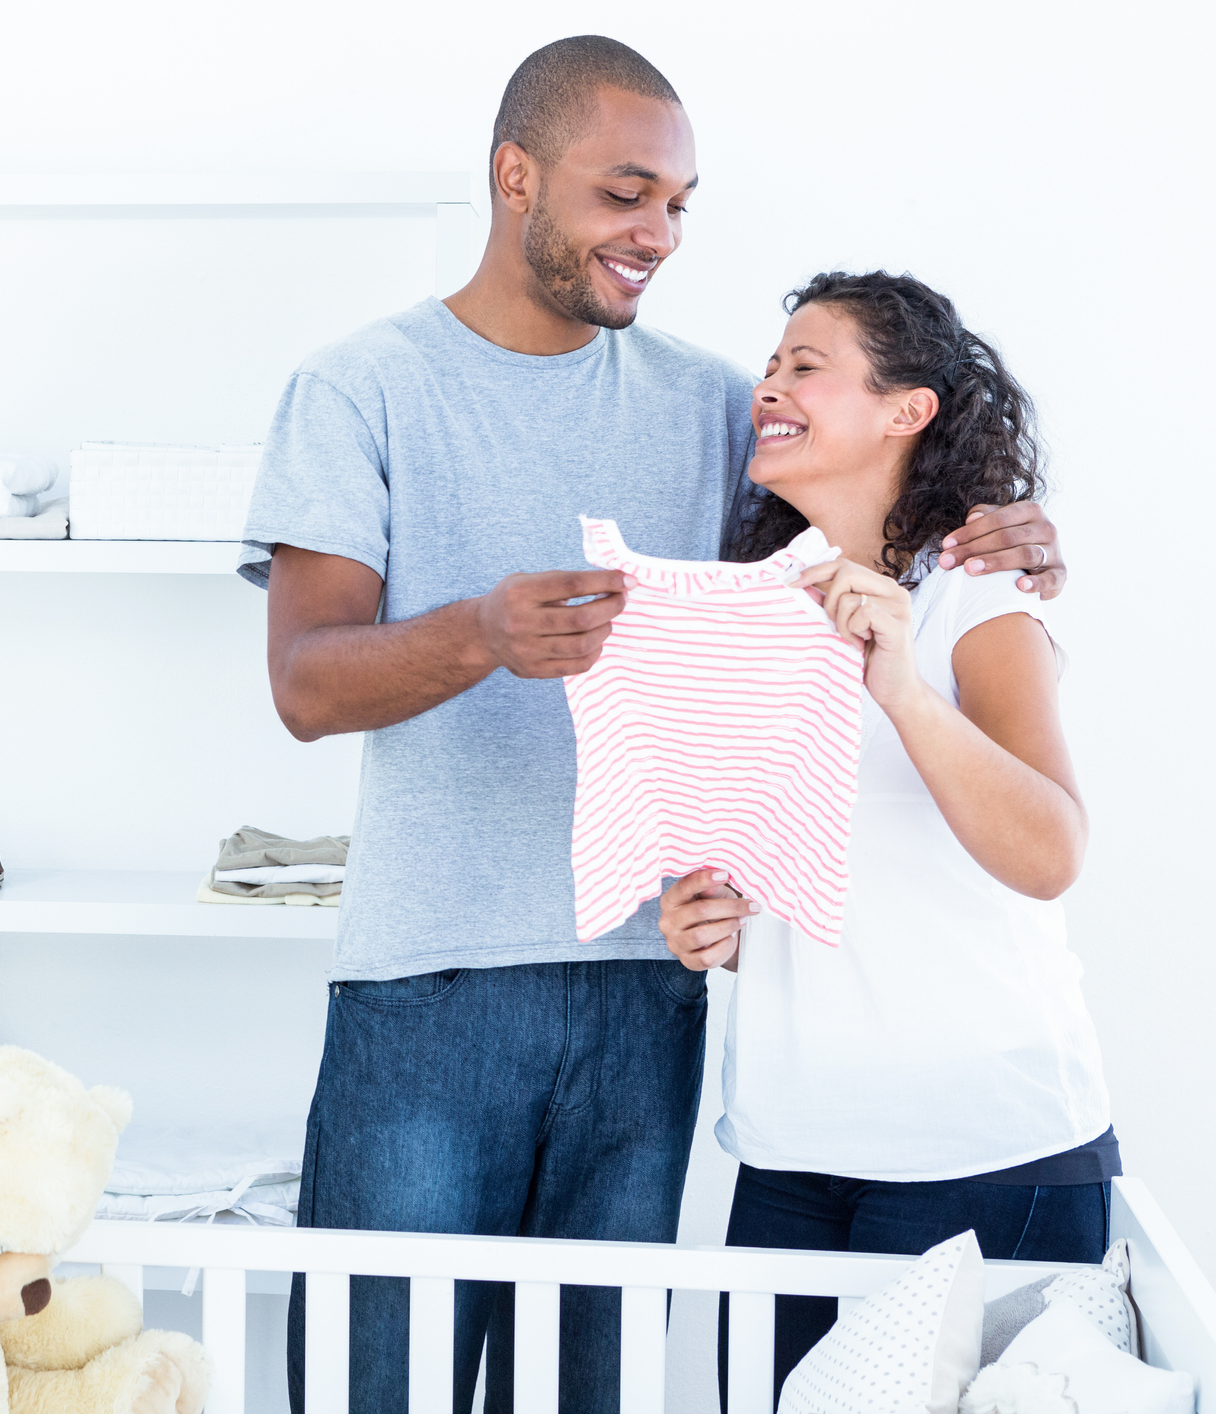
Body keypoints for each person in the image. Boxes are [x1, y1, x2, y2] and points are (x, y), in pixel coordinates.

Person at [240, 35, 1066, 1414]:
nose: (657, 235)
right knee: (377, 1386)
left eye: (679, 205)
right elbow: (303, 686)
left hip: (652, 981)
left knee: (594, 1390)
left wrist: (1006, 523)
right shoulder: (359, 388)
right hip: (432, 984)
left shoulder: (710, 405)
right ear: (514, 177)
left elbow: (876, 496)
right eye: (626, 195)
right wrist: (479, 634)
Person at [660, 271, 1114, 1397]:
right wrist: (700, 917)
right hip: (787, 1161)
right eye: (770, 366)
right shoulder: (758, 608)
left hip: (986, 1159)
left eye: (804, 365)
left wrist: (903, 689)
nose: (768, 384)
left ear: (908, 409)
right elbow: (783, 862)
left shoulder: (978, 596)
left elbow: (1051, 849)